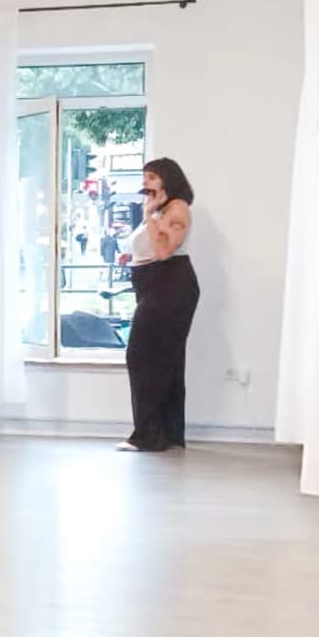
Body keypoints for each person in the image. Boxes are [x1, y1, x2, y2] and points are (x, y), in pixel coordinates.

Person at [120, 155, 199, 452]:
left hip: (169, 285)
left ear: (168, 178)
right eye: (145, 177)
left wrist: (150, 215)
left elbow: (164, 251)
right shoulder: (161, 210)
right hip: (155, 284)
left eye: (152, 176)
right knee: (165, 359)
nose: (146, 182)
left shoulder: (177, 208)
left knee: (141, 356)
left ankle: (148, 435)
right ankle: (166, 433)